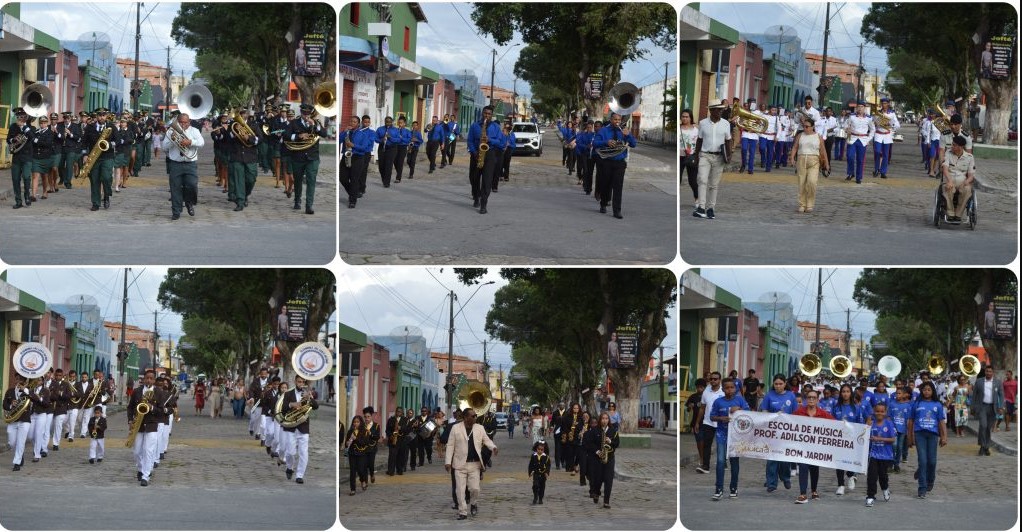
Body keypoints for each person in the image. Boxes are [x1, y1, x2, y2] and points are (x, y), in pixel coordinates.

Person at [445, 407, 498, 520]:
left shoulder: (480, 428)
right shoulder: (455, 428)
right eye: (473, 416)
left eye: (475, 416)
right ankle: (463, 512)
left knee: (475, 489)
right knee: (459, 490)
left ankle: (473, 503)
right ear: (465, 417)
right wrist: (448, 462)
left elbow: (486, 440)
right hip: (459, 464)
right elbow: (450, 446)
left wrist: (493, 447)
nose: (475, 417)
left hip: (474, 464)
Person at [792, 388, 833, 503]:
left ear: (817, 400)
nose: (811, 399)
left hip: (817, 448)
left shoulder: (823, 414)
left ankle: (814, 491)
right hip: (802, 447)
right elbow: (788, 422)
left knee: (815, 468)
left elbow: (836, 426)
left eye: (813, 398)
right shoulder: (799, 412)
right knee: (803, 467)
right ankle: (803, 494)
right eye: (809, 397)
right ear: (806, 399)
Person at [710, 377, 748, 500]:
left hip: (736, 437)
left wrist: (739, 410)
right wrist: (721, 418)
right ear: (723, 389)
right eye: (727, 387)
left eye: (732, 387)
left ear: (736, 388)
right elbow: (712, 417)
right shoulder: (718, 402)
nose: (730, 390)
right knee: (721, 461)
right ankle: (718, 489)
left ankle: (733, 488)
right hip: (722, 435)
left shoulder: (740, 400)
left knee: (734, 462)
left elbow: (750, 414)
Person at [592, 112, 636, 219]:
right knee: (605, 184)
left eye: (619, 120)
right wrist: (606, 142)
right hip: (607, 161)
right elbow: (595, 143)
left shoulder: (623, 131)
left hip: (620, 162)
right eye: (615, 120)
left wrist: (628, 135)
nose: (617, 122)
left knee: (618, 187)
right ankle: (603, 203)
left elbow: (634, 144)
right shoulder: (604, 130)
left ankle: (617, 211)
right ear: (611, 120)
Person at [286, 103, 327, 215]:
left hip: (312, 157)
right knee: (298, 180)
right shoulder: (294, 123)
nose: (306, 115)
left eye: (308, 113)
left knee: (311, 180)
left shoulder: (316, 123)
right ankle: (297, 200)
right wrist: (298, 136)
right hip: (298, 156)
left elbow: (324, 134)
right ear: (301, 112)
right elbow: (286, 135)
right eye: (304, 113)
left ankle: (309, 205)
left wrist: (315, 125)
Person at [129, 370, 168, 487]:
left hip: (152, 424)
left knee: (148, 450)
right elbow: (130, 407)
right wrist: (130, 420)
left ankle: (146, 476)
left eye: (151, 378)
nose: (149, 380)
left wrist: (152, 408)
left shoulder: (159, 393)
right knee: (137, 452)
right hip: (138, 425)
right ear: (143, 379)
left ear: (154, 380)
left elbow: (161, 411)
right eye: (147, 378)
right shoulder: (137, 391)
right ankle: (140, 469)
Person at [693, 103, 732, 219]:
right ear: (711, 110)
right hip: (705, 155)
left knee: (714, 184)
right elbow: (699, 140)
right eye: (717, 110)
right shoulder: (703, 123)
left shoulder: (726, 124)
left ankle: (711, 208)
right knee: (702, 180)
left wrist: (729, 155)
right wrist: (696, 155)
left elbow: (728, 140)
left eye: (721, 110)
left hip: (719, 157)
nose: (719, 112)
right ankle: (701, 207)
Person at [908, 381, 947, 497]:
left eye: (929, 389)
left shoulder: (937, 405)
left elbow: (941, 422)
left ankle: (930, 479)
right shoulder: (916, 404)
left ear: (933, 391)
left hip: (933, 435)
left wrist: (944, 437)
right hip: (919, 434)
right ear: (921, 391)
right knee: (923, 460)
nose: (926, 392)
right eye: (924, 389)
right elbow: (910, 421)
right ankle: (922, 488)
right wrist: (910, 437)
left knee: (932, 461)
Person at [162, 112, 204, 220]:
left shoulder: (194, 131)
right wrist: (174, 141)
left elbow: (201, 142)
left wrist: (190, 142)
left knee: (192, 185)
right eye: (181, 122)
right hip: (175, 163)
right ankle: (176, 211)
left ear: (189, 122)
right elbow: (164, 147)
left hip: (190, 163)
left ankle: (189, 202)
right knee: (175, 188)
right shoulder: (171, 131)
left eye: (185, 122)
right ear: (177, 122)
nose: (183, 124)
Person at [760, 373, 796, 491]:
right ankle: (771, 483)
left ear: (785, 384)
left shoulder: (791, 396)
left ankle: (785, 477)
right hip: (772, 433)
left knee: (785, 458)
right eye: (776, 384)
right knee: (772, 459)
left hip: (787, 433)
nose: (778, 386)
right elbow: (764, 411)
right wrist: (772, 416)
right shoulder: (769, 396)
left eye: (780, 384)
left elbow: (796, 414)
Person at [466, 105, 506, 214]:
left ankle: (483, 204)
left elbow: (501, 143)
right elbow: (469, 141)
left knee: (487, 181)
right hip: (476, 153)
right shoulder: (474, 126)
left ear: (491, 115)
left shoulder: (496, 127)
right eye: (485, 113)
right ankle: (476, 196)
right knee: (473, 178)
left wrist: (490, 140)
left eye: (489, 114)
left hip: (490, 154)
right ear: (482, 113)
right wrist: (474, 152)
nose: (486, 115)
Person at [281, 375, 318, 484]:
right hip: (291, 426)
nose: (300, 384)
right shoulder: (288, 394)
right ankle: (289, 467)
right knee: (290, 453)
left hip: (303, 427)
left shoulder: (307, 393)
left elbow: (316, 407)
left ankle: (299, 475)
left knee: (303, 452)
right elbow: (282, 410)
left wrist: (310, 398)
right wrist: (291, 404)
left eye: (302, 382)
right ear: (295, 381)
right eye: (299, 381)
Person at [789, 114, 829, 214]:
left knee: (812, 182)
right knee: (802, 183)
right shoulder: (800, 135)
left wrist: (827, 164)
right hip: (802, 159)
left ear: (812, 127)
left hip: (814, 161)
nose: (805, 128)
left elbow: (823, 151)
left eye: (807, 126)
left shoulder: (818, 137)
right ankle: (802, 204)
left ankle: (810, 204)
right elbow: (795, 147)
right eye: (804, 126)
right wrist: (792, 157)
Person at [584, 412, 620, 508]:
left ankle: (606, 501)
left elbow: (617, 443)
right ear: (600, 420)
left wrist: (610, 441)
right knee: (597, 479)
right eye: (603, 419)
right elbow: (588, 443)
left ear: (609, 420)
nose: (604, 420)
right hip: (597, 459)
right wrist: (597, 451)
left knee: (608, 480)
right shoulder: (595, 430)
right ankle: (596, 492)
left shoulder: (613, 431)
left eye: (606, 419)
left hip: (609, 458)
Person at [227, 108, 260, 212]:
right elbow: (227, 138)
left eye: (244, 114)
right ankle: (240, 202)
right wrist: (236, 132)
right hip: (237, 156)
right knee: (238, 180)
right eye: (240, 114)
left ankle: (245, 194)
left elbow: (260, 139)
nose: (242, 116)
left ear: (247, 114)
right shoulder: (232, 125)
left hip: (250, 157)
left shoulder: (254, 125)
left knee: (251, 179)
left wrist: (249, 138)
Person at [865, 403, 896, 507]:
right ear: (874, 412)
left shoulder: (889, 424)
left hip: (885, 456)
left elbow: (892, 439)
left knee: (883, 476)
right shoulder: (871, 424)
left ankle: (885, 488)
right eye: (877, 411)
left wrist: (879, 439)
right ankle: (870, 496)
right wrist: (867, 425)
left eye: (882, 411)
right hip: (873, 455)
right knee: (872, 476)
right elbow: (864, 435)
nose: (879, 413)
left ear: (885, 413)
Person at [940, 136, 975, 222]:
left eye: (954, 145)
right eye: (952, 144)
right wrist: (950, 181)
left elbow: (971, 175)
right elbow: (945, 169)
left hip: (962, 181)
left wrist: (966, 182)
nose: (952, 146)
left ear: (960, 147)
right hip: (949, 178)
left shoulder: (969, 157)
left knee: (967, 190)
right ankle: (950, 213)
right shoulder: (948, 153)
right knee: (948, 188)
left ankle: (958, 214)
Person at [970, 365, 1004, 456]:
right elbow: (974, 395)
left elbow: (1001, 395)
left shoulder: (997, 382)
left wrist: (1001, 407)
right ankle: (982, 446)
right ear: (985, 372)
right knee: (983, 426)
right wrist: (972, 407)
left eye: (990, 371)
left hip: (993, 408)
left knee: (988, 428)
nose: (988, 373)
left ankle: (986, 447)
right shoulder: (979, 382)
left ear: (993, 373)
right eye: (987, 371)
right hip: (982, 407)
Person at [695, 371, 725, 474]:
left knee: (722, 444)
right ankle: (705, 466)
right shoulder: (706, 392)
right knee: (707, 444)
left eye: (715, 379)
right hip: (708, 422)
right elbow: (702, 408)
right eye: (711, 379)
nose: (713, 381)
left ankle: (723, 461)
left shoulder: (724, 391)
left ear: (719, 380)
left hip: (722, 422)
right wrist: (697, 422)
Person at [7, 107, 35, 208]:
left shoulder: (31, 128)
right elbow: (8, 139)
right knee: (15, 179)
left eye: (22, 116)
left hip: (27, 157)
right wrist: (14, 140)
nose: (19, 118)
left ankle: (27, 195)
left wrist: (24, 128)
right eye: (18, 116)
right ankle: (18, 201)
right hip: (16, 157)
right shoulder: (13, 127)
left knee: (27, 177)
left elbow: (33, 138)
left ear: (25, 117)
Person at [4, 377, 33, 471]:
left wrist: (25, 390)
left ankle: (17, 462)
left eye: (22, 381)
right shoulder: (10, 391)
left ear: (25, 382)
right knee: (12, 442)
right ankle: (20, 455)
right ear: (15, 380)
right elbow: (4, 404)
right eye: (18, 380)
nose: (19, 382)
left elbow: (36, 399)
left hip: (24, 420)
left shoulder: (28, 391)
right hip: (13, 420)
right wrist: (11, 404)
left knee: (21, 441)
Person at [844, 102, 873, 183]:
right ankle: (851, 173)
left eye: (862, 107)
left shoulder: (869, 118)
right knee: (850, 156)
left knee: (860, 160)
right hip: (853, 138)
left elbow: (872, 130)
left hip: (863, 140)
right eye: (859, 107)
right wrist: (847, 129)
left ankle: (858, 177)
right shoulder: (852, 116)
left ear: (864, 108)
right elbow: (845, 125)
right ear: (856, 108)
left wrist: (868, 139)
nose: (860, 108)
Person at [871, 98, 900, 179]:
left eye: (885, 103)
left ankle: (883, 172)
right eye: (882, 103)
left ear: (888, 104)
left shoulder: (892, 114)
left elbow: (897, 125)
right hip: (878, 134)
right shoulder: (877, 113)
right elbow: (872, 122)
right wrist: (875, 122)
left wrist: (891, 124)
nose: (884, 105)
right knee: (877, 152)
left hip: (887, 135)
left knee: (886, 155)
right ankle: (877, 169)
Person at [344, 415, 372, 495]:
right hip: (352, 452)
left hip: (361, 453)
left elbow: (365, 442)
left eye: (357, 422)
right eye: (354, 422)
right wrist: (347, 443)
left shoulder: (365, 431)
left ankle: (363, 480)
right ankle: (353, 489)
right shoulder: (350, 431)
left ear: (361, 423)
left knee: (360, 469)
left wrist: (356, 439)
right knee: (352, 471)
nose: (355, 424)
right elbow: (346, 444)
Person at [887, 386, 912, 472]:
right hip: (894, 429)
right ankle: (891, 463)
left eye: (899, 393)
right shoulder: (892, 404)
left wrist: (908, 431)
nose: (897, 395)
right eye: (896, 393)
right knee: (894, 445)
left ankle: (896, 464)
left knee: (900, 447)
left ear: (904, 395)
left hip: (903, 430)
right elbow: (889, 417)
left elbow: (908, 419)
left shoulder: (907, 406)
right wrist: (890, 428)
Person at [679, 109, 699, 206]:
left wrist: (696, 153)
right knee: (678, 180)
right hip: (680, 157)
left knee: (692, 181)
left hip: (691, 156)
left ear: (691, 118)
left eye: (687, 116)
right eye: (683, 116)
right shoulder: (679, 128)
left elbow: (698, 143)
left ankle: (697, 199)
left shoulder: (696, 130)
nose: (684, 118)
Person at [686, 378, 707, 471]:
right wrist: (689, 407)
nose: (699, 389)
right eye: (698, 387)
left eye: (701, 387)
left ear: (705, 388)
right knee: (699, 442)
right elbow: (688, 408)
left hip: (707, 422)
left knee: (705, 442)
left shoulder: (707, 396)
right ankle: (702, 459)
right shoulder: (693, 397)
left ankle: (705, 459)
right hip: (695, 423)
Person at [559, 402, 583, 475]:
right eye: (574, 408)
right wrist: (567, 432)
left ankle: (576, 465)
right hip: (569, 437)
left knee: (578, 453)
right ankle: (572, 468)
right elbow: (563, 426)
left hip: (578, 437)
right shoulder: (567, 416)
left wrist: (577, 425)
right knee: (570, 453)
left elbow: (583, 427)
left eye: (577, 408)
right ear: (572, 409)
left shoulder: (581, 417)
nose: (576, 409)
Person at [385, 406, 408, 475]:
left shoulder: (405, 420)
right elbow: (387, 430)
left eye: (400, 412)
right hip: (393, 441)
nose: (398, 413)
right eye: (397, 411)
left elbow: (407, 429)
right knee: (392, 456)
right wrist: (390, 436)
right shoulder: (391, 419)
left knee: (400, 456)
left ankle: (399, 470)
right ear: (396, 412)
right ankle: (391, 471)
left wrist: (401, 428)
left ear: (402, 413)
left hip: (401, 441)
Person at [528, 440, 550, 505]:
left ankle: (540, 498)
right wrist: (531, 471)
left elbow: (548, 466)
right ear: (536, 448)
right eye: (538, 449)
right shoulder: (534, 456)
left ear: (544, 450)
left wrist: (547, 472)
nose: (540, 451)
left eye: (541, 449)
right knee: (535, 485)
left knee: (542, 487)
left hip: (543, 474)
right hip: (536, 473)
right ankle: (535, 496)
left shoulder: (546, 457)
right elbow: (531, 465)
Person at [363, 406, 381, 483]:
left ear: (371, 416)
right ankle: (365, 481)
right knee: (364, 464)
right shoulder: (362, 426)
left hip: (372, 448)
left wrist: (370, 434)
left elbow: (377, 437)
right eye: (365, 417)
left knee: (370, 463)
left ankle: (372, 474)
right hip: (363, 448)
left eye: (368, 417)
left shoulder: (376, 426)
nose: (367, 418)